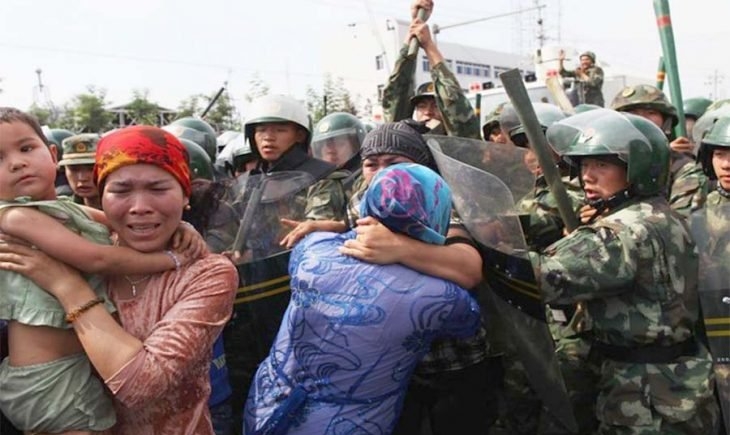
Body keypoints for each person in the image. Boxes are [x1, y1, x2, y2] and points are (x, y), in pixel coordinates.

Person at [0, 124, 238, 434]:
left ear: (184, 194)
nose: (140, 207)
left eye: (158, 189)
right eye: (121, 191)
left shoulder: (206, 273)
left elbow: (142, 385)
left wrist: (66, 286)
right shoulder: (79, 247)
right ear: (101, 197)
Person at [244, 163, 481, 434]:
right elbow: (468, 323)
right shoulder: (440, 295)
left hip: (267, 405)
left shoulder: (314, 248)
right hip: (348, 424)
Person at [533, 108, 718, 434]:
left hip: (644, 397)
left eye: (601, 165)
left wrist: (470, 254)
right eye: (584, 165)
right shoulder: (659, 213)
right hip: (680, 382)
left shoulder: (623, 232)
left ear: (638, 169)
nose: (587, 176)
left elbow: (540, 279)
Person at [381, 0, 481, 139]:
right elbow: (394, 98)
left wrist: (428, 45)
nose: (428, 112)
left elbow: (454, 104)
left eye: (435, 106)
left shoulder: (459, 144)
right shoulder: (405, 143)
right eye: (421, 106)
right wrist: (413, 30)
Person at [611, 84, 708, 218]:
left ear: (666, 121)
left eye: (651, 113)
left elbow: (682, 222)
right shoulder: (605, 163)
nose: (641, 119)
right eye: (632, 113)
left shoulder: (683, 168)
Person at [57, 133, 102, 209]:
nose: (82, 178)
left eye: (91, 169)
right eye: (74, 169)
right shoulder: (62, 210)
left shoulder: (122, 210)